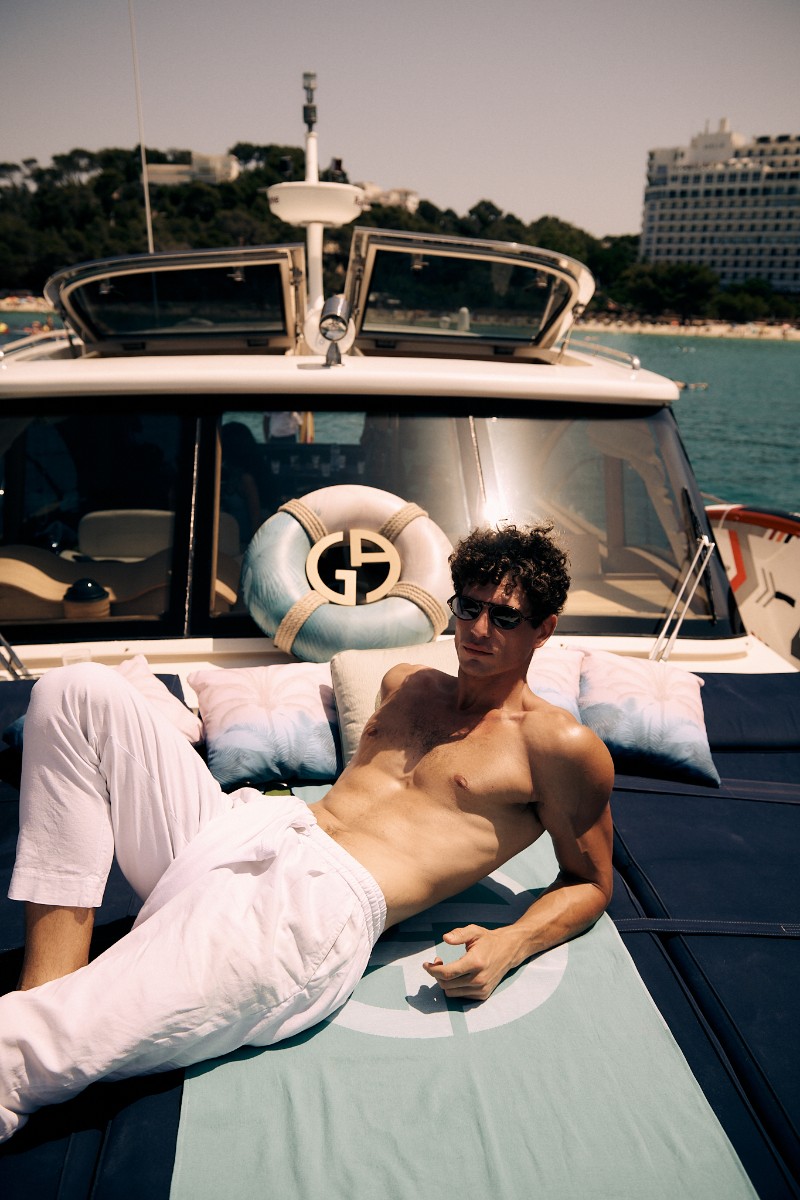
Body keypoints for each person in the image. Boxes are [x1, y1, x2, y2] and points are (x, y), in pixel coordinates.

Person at [0, 523, 613, 1141]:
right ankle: (48, 980)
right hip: (253, 825)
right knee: (74, 690)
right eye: (469, 608)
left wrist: (511, 944)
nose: (479, 629)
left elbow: (590, 882)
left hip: (313, 908)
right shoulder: (406, 684)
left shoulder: (558, 745)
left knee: (27, 1048)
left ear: (544, 629)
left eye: (504, 617)